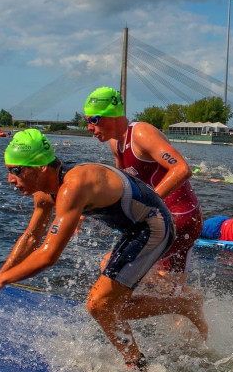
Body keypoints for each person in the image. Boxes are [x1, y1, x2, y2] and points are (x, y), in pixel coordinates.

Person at [0, 130, 207, 370]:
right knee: (106, 306)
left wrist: (1, 280)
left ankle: (175, 314)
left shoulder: (74, 185)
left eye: (16, 170)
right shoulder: (43, 192)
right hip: (135, 228)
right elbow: (31, 238)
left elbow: (49, 255)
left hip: (155, 225)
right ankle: (138, 359)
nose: (10, 179)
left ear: (40, 167)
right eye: (8, 170)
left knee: (99, 304)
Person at [83, 87, 202, 293]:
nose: (89, 127)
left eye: (93, 120)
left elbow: (181, 169)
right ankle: (189, 303)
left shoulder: (140, 133)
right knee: (168, 288)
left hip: (179, 217)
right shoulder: (115, 143)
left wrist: (149, 202)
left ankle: (188, 299)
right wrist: (87, 209)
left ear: (112, 114)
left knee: (112, 266)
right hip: (168, 217)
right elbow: (122, 187)